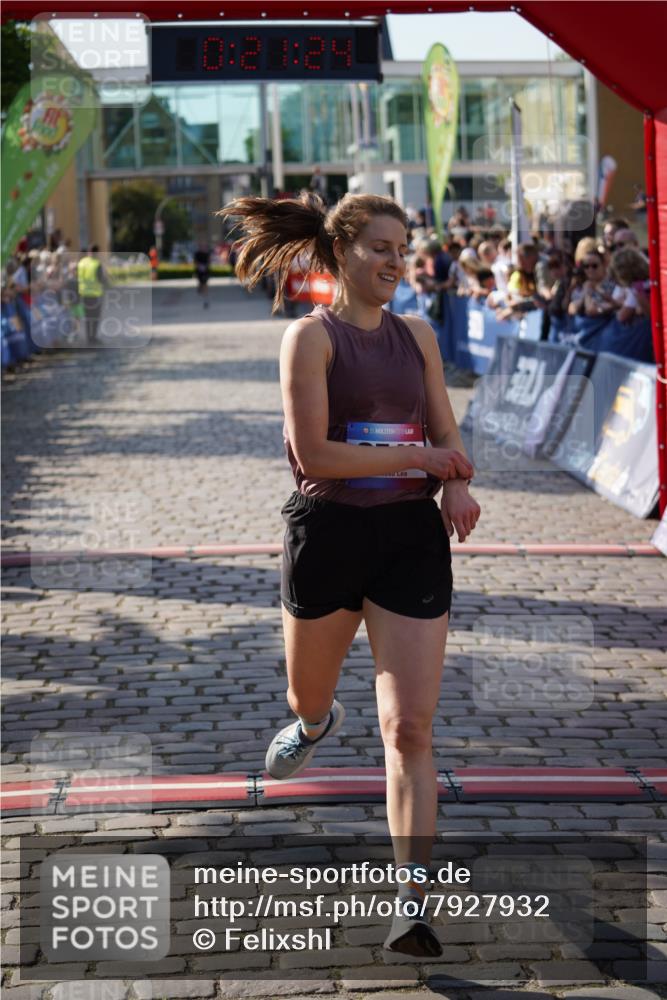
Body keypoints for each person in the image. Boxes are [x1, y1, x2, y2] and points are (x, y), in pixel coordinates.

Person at [218, 190, 480, 958]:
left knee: (408, 727)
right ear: (340, 255)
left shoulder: (418, 336)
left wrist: (454, 479)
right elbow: (315, 457)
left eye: (402, 247)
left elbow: (444, 429)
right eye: (378, 247)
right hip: (328, 530)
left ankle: (412, 901)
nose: (395, 261)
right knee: (311, 694)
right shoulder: (309, 338)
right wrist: (423, 459)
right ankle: (312, 726)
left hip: (408, 534)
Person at [76, 244, 110, 344]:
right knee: (95, 317)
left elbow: (78, 277)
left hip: (83, 294)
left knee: (88, 317)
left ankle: (88, 338)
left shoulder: (81, 263)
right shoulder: (96, 264)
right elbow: (101, 279)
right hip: (95, 294)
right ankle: (93, 337)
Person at [193, 241, 211, 308]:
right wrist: (199, 266)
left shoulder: (207, 254)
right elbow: (195, 262)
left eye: (204, 246)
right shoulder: (197, 253)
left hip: (205, 271)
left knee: (205, 283)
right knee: (201, 283)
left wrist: (206, 266)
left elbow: (209, 261)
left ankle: (205, 297)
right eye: (201, 246)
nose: (203, 247)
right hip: (199, 271)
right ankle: (200, 288)